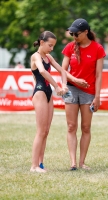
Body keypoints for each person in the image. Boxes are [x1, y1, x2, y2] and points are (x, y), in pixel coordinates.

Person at [62, 18, 106, 170]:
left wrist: (97, 97)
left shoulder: (98, 48)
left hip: (89, 91)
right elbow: (63, 71)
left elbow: (99, 75)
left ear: (86, 32)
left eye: (76, 33)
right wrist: (75, 80)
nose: (73, 36)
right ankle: (73, 163)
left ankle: (82, 162)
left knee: (86, 127)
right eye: (71, 33)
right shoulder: (69, 47)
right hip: (72, 88)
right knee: (71, 126)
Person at [30, 31, 68, 173]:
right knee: (40, 131)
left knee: (46, 131)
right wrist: (57, 86)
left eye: (53, 46)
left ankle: (40, 163)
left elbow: (63, 71)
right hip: (40, 92)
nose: (52, 48)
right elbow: (43, 72)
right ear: (41, 42)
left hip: (48, 94)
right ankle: (33, 166)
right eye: (50, 45)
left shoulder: (49, 57)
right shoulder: (36, 56)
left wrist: (63, 85)